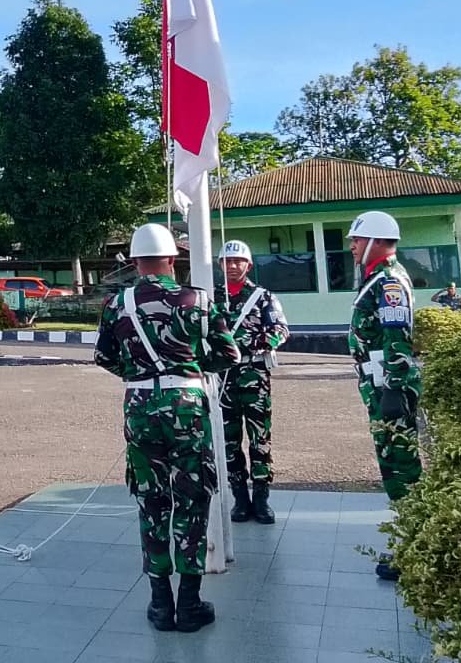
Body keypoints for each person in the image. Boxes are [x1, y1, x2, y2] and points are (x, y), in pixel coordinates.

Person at [94, 222, 240, 634]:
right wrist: (191, 368)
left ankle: (160, 604)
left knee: (151, 500)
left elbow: (103, 357)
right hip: (187, 406)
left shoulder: (117, 304)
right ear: (173, 259)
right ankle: (189, 603)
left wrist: (138, 374)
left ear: (135, 261)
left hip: (139, 406)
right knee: (192, 499)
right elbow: (229, 353)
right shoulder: (198, 299)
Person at [346, 210, 421, 581]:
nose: (352, 246)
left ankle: (418, 547)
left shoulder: (388, 281)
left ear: (376, 241)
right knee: (393, 465)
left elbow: (397, 337)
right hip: (378, 385)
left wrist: (393, 388)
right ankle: (412, 541)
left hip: (389, 387)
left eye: (357, 240)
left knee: (402, 467)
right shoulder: (375, 278)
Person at [216, 240, 289, 525]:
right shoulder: (210, 297)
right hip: (222, 379)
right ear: (220, 265)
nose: (233, 266)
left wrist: (252, 342)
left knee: (260, 439)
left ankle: (261, 498)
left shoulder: (262, 297)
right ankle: (240, 498)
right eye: (228, 261)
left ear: (248, 265)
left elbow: (281, 329)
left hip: (254, 377)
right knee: (228, 441)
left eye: (238, 261)